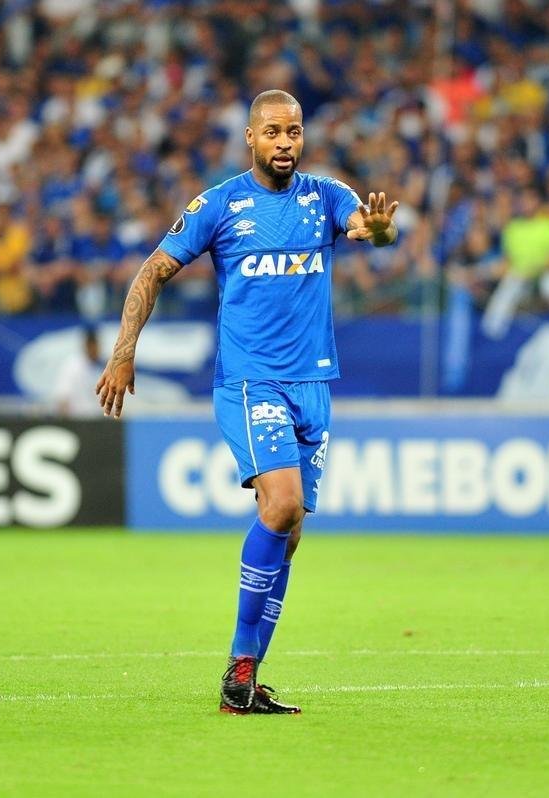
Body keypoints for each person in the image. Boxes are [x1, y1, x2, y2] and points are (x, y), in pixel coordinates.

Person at [95, 90, 399, 715]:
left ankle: (247, 677)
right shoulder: (221, 204)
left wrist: (382, 227)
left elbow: (372, 232)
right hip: (249, 381)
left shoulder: (326, 197)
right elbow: (152, 270)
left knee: (289, 533)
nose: (285, 142)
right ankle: (239, 660)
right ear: (251, 138)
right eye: (273, 132)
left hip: (313, 385)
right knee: (281, 502)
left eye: (294, 131)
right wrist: (124, 350)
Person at [54, 326, 105, 418]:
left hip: (97, 421)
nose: (97, 350)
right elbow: (63, 397)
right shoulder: (72, 366)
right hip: (78, 420)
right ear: (87, 346)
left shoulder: (99, 368)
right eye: (94, 346)